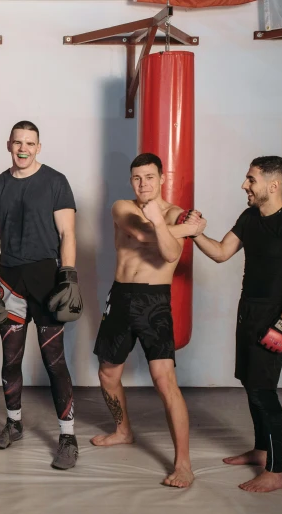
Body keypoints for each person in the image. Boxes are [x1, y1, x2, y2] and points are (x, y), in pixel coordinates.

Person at [188, 156, 282, 493]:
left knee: (263, 390)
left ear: (273, 185)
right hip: (249, 312)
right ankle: (261, 449)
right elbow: (219, 252)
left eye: (251, 179)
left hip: (276, 316)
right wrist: (195, 234)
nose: (245, 185)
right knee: (249, 383)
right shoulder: (249, 217)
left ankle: (275, 471)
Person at [90, 152, 203, 488]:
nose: (143, 184)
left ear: (162, 178)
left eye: (150, 177)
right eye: (137, 178)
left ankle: (183, 464)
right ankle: (123, 431)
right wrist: (187, 228)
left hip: (154, 301)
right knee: (108, 372)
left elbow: (170, 254)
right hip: (121, 297)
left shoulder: (174, 213)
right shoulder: (121, 207)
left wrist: (170, 223)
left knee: (163, 379)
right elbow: (140, 235)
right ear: (131, 181)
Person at [0, 121, 83, 470]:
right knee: (11, 358)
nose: (23, 148)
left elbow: (68, 232)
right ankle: (14, 423)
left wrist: (68, 276)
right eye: (17, 142)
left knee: (55, 361)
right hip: (10, 282)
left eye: (30, 143)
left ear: (39, 147)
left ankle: (68, 437)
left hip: (48, 281)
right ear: (8, 144)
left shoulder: (55, 181)